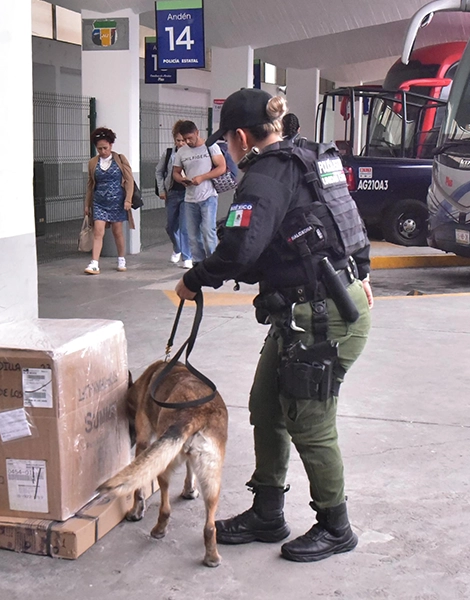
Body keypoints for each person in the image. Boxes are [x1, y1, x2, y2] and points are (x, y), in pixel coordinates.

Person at [174, 89, 375, 563]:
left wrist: (194, 279)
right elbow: (348, 217)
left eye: (228, 142)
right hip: (302, 313)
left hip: (322, 319)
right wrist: (362, 269)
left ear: (241, 137)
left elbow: (239, 249)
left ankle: (335, 524)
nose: (229, 150)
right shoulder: (312, 154)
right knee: (266, 406)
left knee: (310, 423)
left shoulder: (267, 173)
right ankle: (268, 512)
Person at [171, 120, 227, 264]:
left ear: (197, 133)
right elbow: (175, 172)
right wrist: (181, 180)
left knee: (208, 232)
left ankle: (214, 262)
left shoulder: (210, 147)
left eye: (190, 138)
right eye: (185, 139)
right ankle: (199, 263)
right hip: (190, 199)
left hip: (208, 196)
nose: (187, 141)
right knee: (192, 236)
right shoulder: (182, 151)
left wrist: (203, 177)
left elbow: (221, 167)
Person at [83, 127, 134, 275]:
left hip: (117, 201)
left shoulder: (120, 159)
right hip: (99, 201)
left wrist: (128, 200)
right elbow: (90, 185)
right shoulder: (93, 163)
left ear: (111, 145)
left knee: (117, 232)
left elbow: (129, 180)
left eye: (105, 148)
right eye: (99, 149)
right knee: (98, 231)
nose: (103, 151)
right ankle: (94, 263)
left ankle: (121, 258)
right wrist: (87, 204)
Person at [156, 129, 190, 268]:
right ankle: (177, 247)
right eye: (178, 140)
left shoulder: (191, 154)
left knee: (184, 227)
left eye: (183, 140)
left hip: (187, 194)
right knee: (170, 226)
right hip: (172, 193)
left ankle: (187, 257)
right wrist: (161, 189)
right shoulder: (169, 153)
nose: (181, 143)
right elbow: (159, 171)